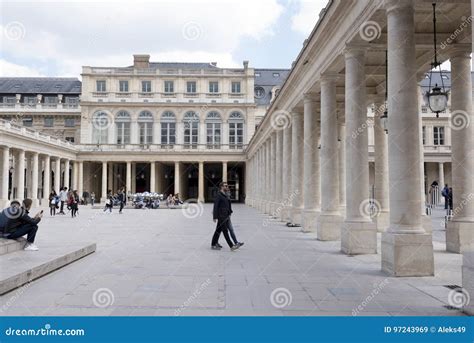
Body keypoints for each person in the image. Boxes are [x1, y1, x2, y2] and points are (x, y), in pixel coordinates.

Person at [211, 182, 239, 251]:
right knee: (225, 231)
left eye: (227, 186)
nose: (227, 187)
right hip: (221, 216)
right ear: (221, 187)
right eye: (225, 186)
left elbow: (227, 205)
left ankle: (213, 244)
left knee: (218, 230)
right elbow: (215, 206)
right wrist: (214, 217)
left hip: (226, 215)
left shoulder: (225, 195)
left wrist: (229, 212)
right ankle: (231, 246)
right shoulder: (219, 195)